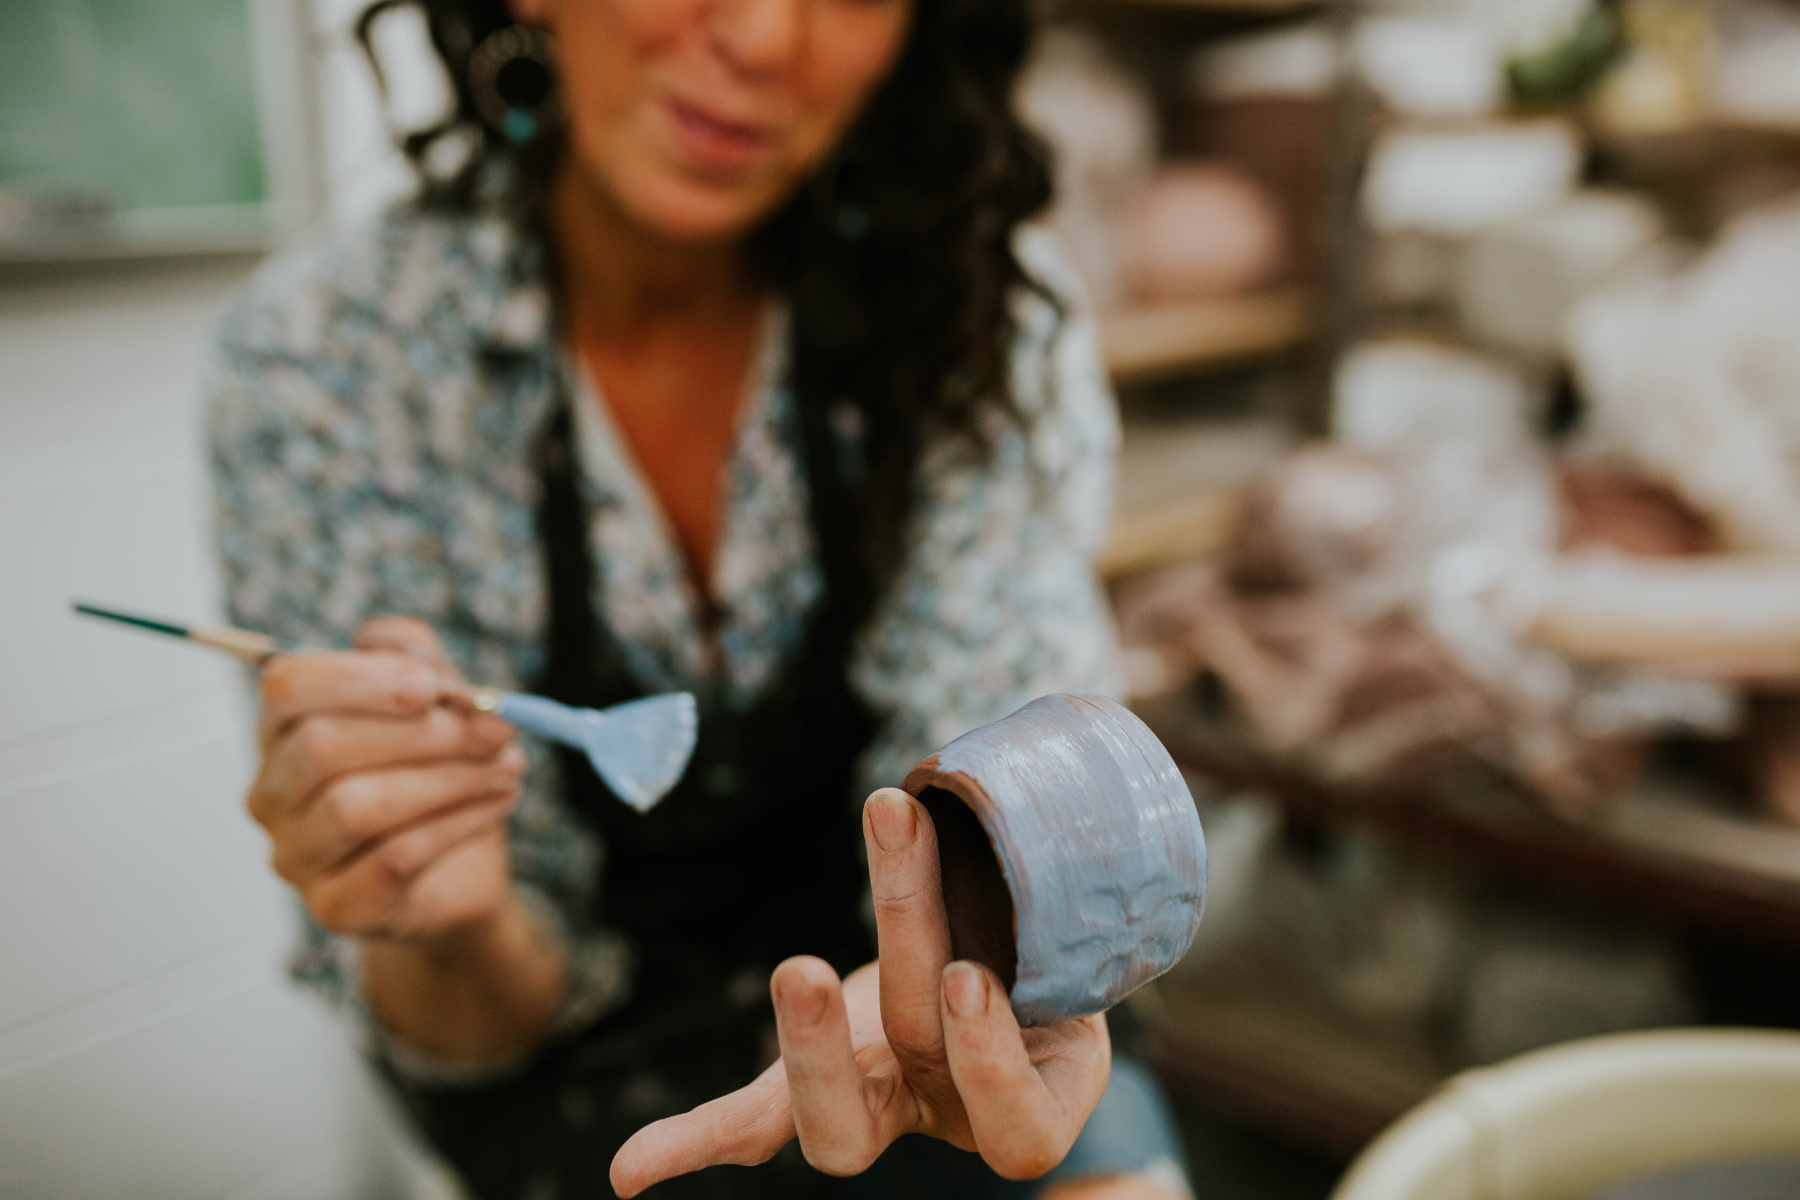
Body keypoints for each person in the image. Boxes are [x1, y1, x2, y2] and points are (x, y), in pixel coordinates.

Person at [208, 0, 1193, 1196]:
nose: (766, 35)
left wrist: (980, 962)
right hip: (581, 1082)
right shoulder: (334, 360)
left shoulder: (973, 298)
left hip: (931, 1005)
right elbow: (476, 1028)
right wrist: (444, 918)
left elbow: (1012, 787)